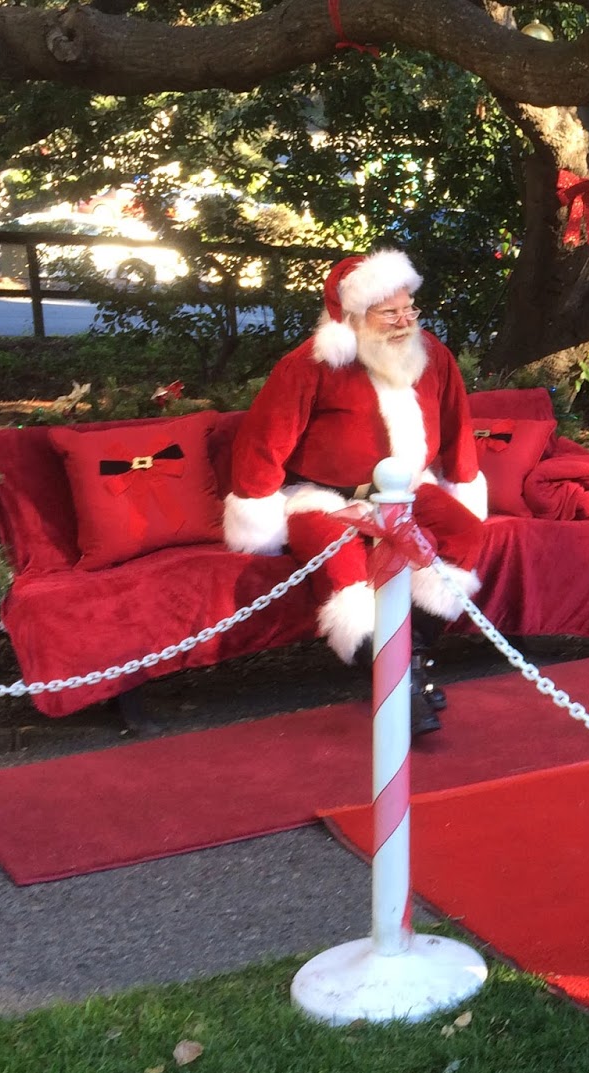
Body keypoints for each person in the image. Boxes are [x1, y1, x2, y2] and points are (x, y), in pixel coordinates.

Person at [224, 248, 489, 738]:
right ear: (352, 315)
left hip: (410, 489)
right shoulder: (310, 365)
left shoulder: (432, 354)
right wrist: (255, 509)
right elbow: (264, 439)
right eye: (390, 312)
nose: (404, 321)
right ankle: (400, 682)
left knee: (465, 536)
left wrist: (463, 479)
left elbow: (457, 425)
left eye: (410, 309)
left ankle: (414, 660)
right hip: (327, 498)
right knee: (341, 571)